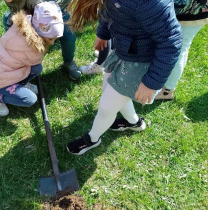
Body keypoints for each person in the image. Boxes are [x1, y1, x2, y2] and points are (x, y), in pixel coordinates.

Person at [66, 0, 182, 155]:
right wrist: (103, 34)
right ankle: (134, 122)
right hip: (124, 51)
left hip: (142, 64)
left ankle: (92, 139)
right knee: (111, 91)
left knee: (107, 107)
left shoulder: (151, 3)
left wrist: (151, 83)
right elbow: (111, 12)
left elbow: (171, 43)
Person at [0, 1, 64, 116]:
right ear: (41, 32)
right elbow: (36, 59)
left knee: (37, 68)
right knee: (29, 99)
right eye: (52, 38)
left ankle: (21, 83)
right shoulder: (33, 50)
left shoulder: (23, 26)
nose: (54, 41)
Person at [3, 0, 81, 82]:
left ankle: (69, 61)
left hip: (55, 8)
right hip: (28, 12)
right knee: (21, 44)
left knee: (69, 38)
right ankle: (20, 69)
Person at [155, 0, 208, 100]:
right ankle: (167, 86)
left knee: (178, 51)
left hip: (191, 13)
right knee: (182, 48)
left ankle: (167, 91)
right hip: (192, 11)